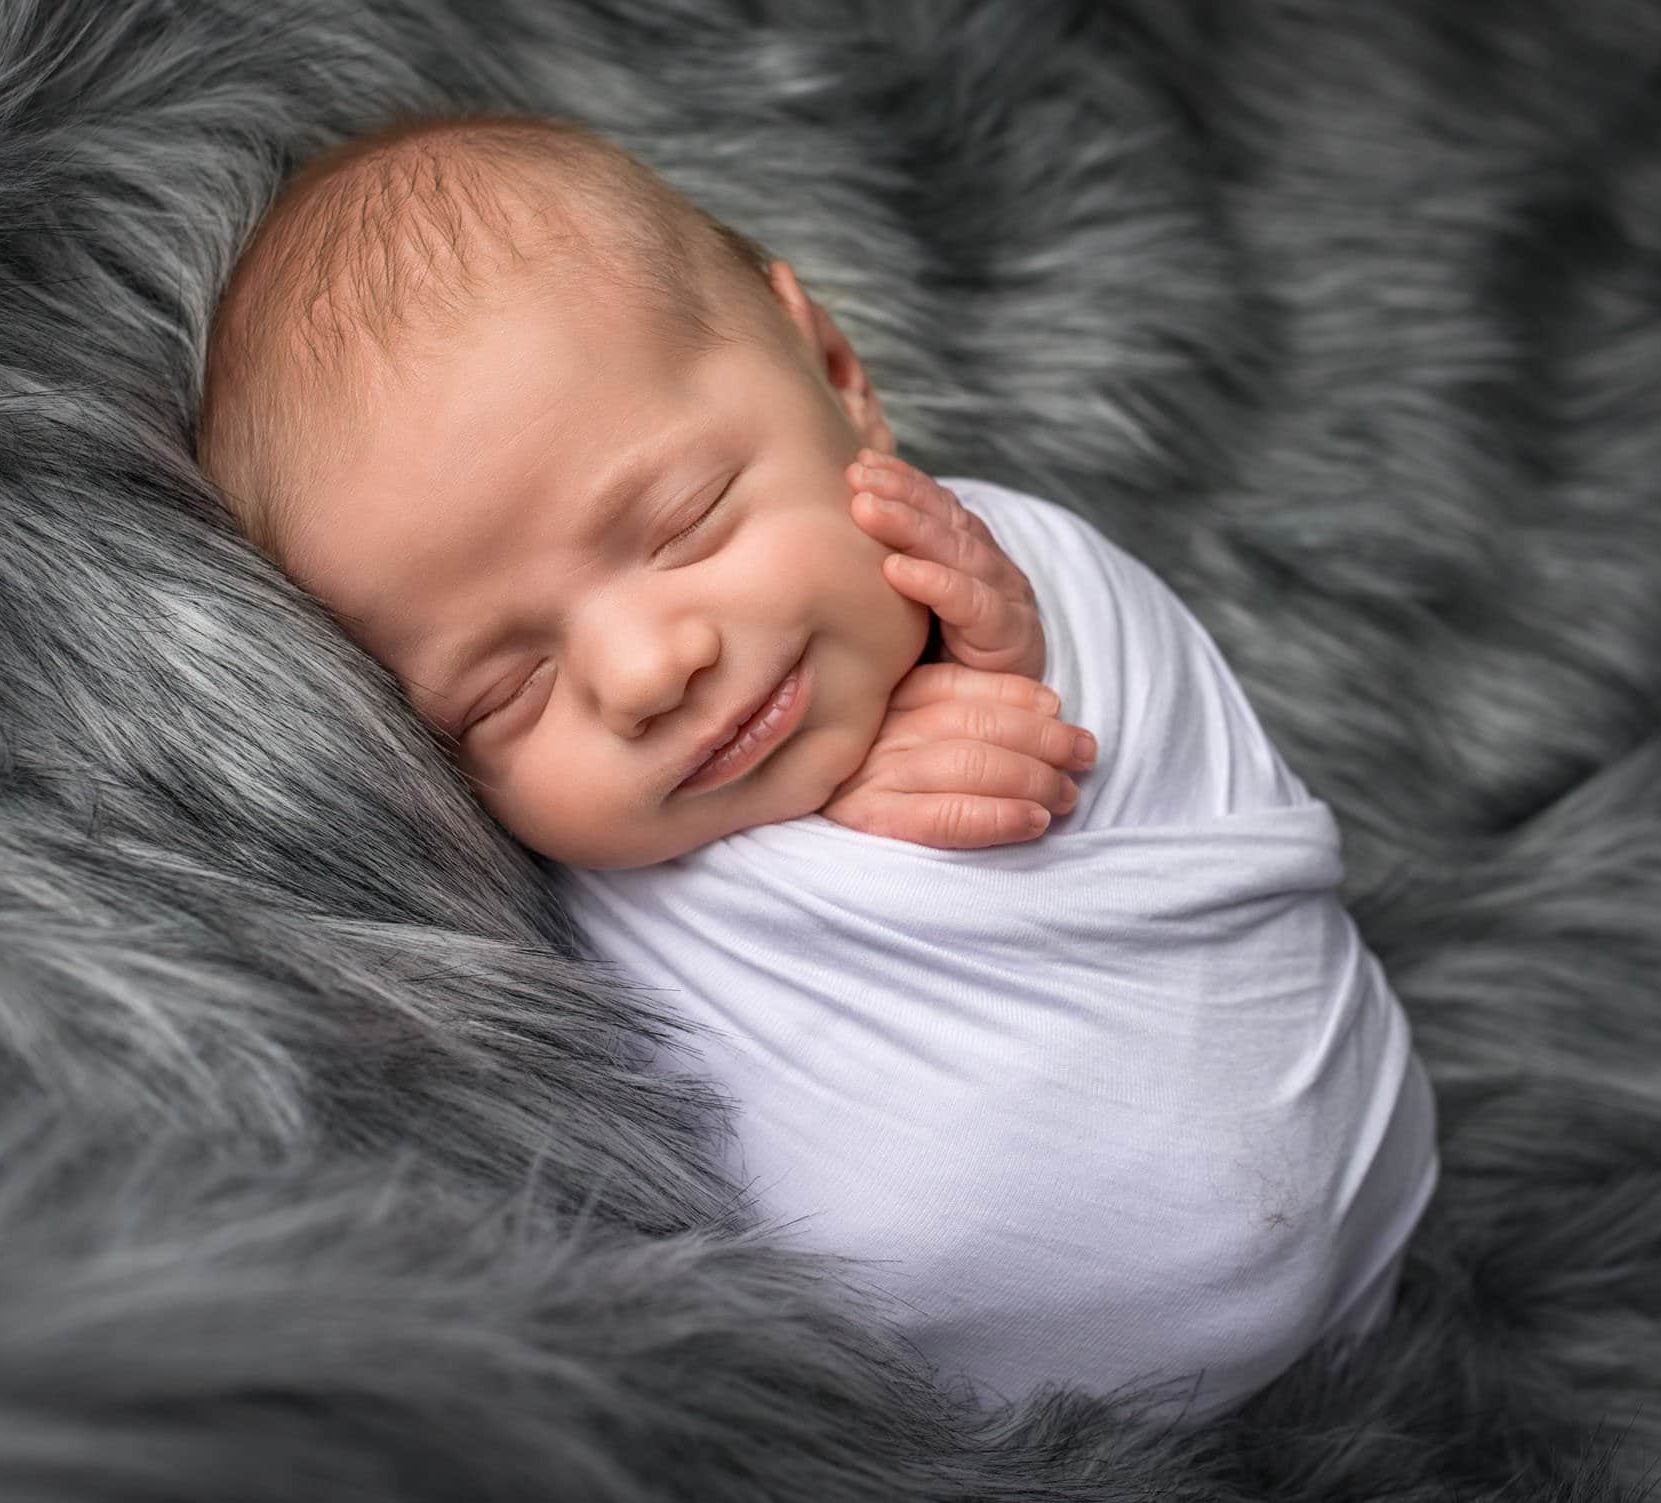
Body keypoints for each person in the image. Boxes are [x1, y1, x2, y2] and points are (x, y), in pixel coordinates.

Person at [196, 110, 1438, 1422]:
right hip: (976, 1430)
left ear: (834, 368)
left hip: (1376, 1218)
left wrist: (1015, 654)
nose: (642, 671)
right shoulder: (559, 915)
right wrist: (840, 832)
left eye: (684, 523)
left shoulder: (1012, 571)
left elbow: (1139, 715)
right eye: (508, 687)